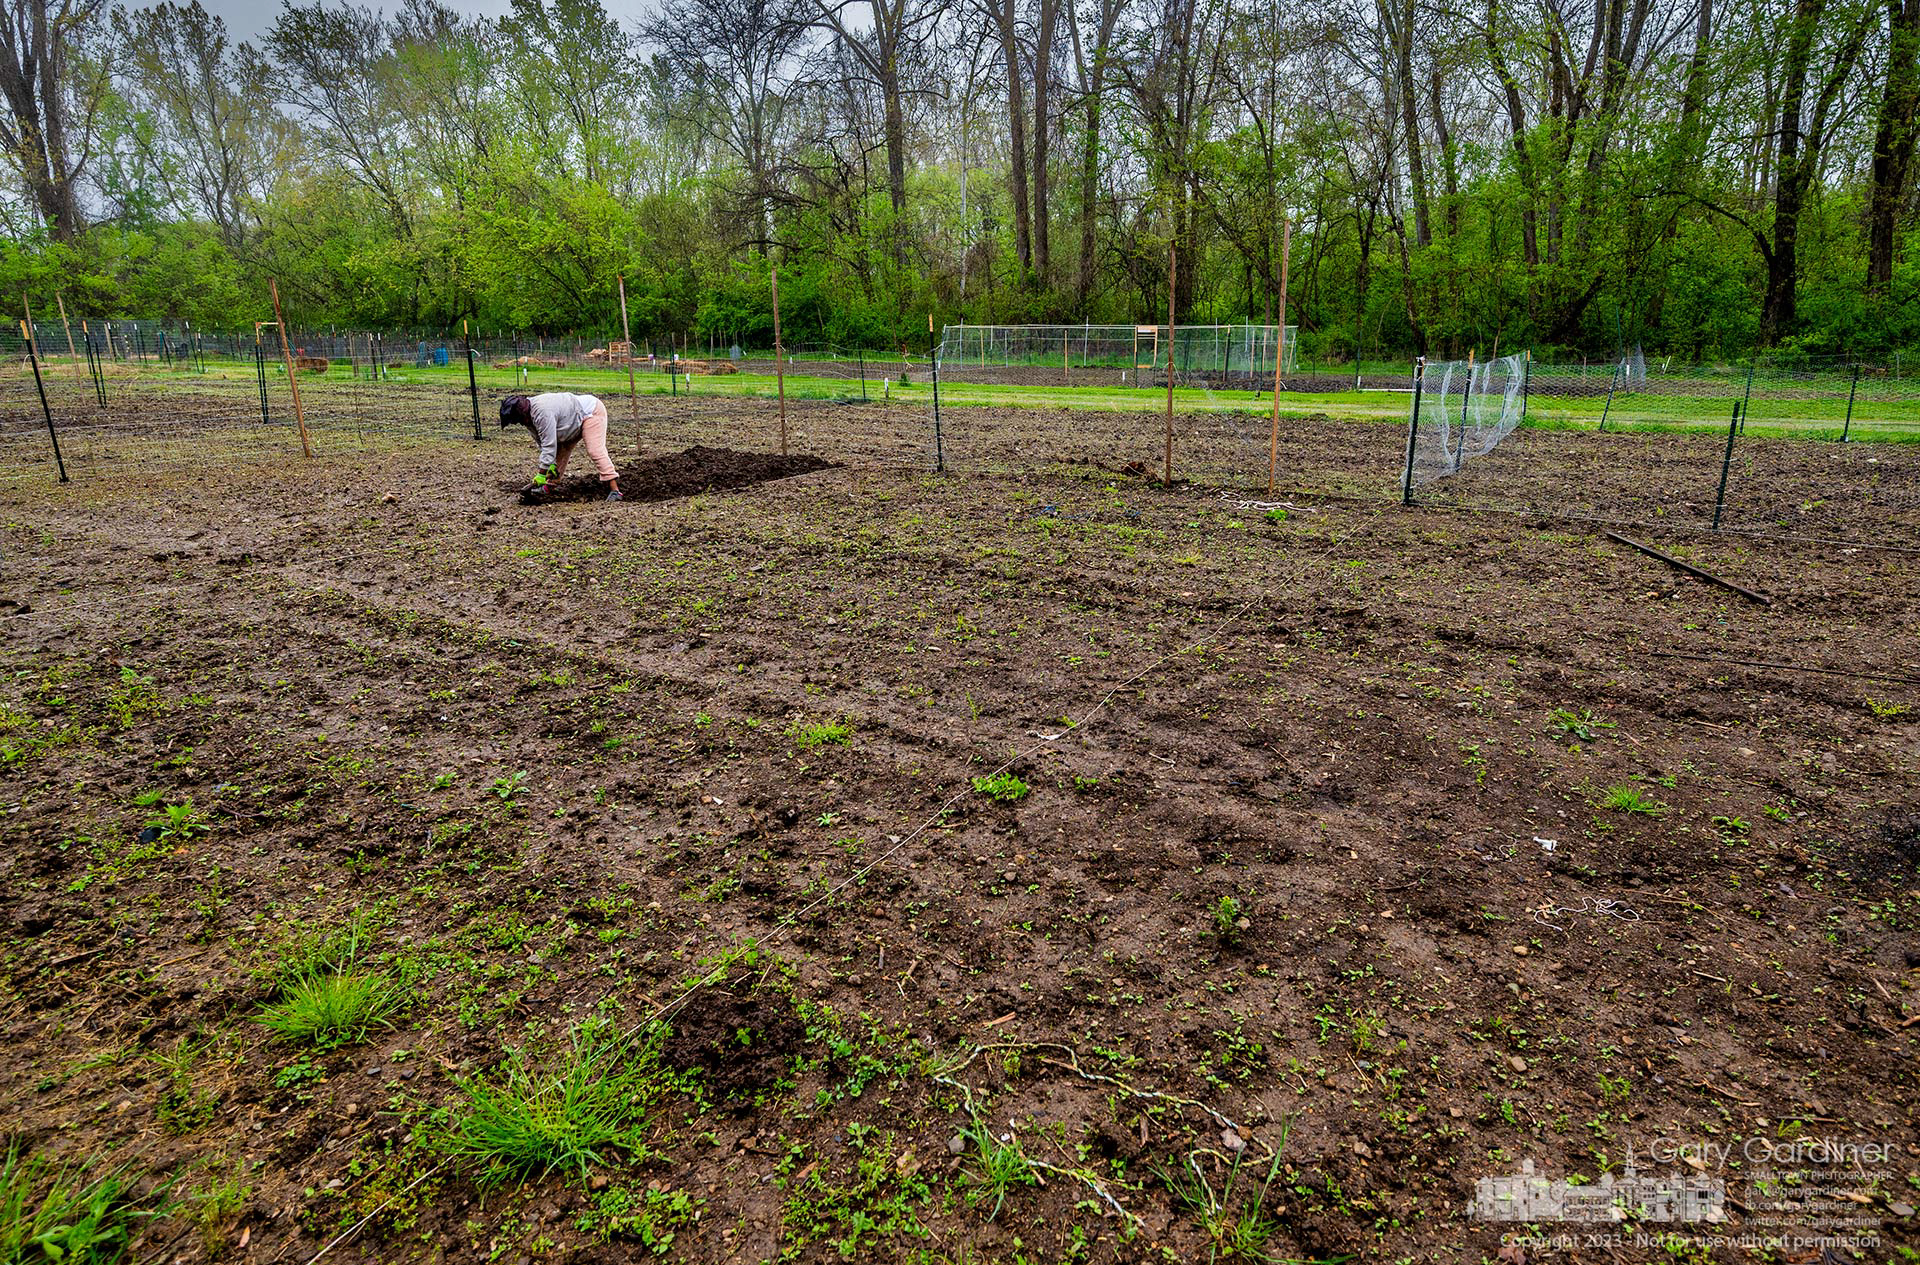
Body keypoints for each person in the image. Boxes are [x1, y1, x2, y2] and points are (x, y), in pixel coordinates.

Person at [499, 392, 622, 501]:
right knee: (559, 453)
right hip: (571, 422)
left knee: (595, 450)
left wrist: (541, 473)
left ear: (521, 413)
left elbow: (549, 445)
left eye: (516, 420)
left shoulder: (542, 412)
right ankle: (548, 488)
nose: (518, 423)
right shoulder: (527, 417)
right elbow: (542, 442)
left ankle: (615, 491)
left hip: (590, 412)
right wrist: (550, 464)